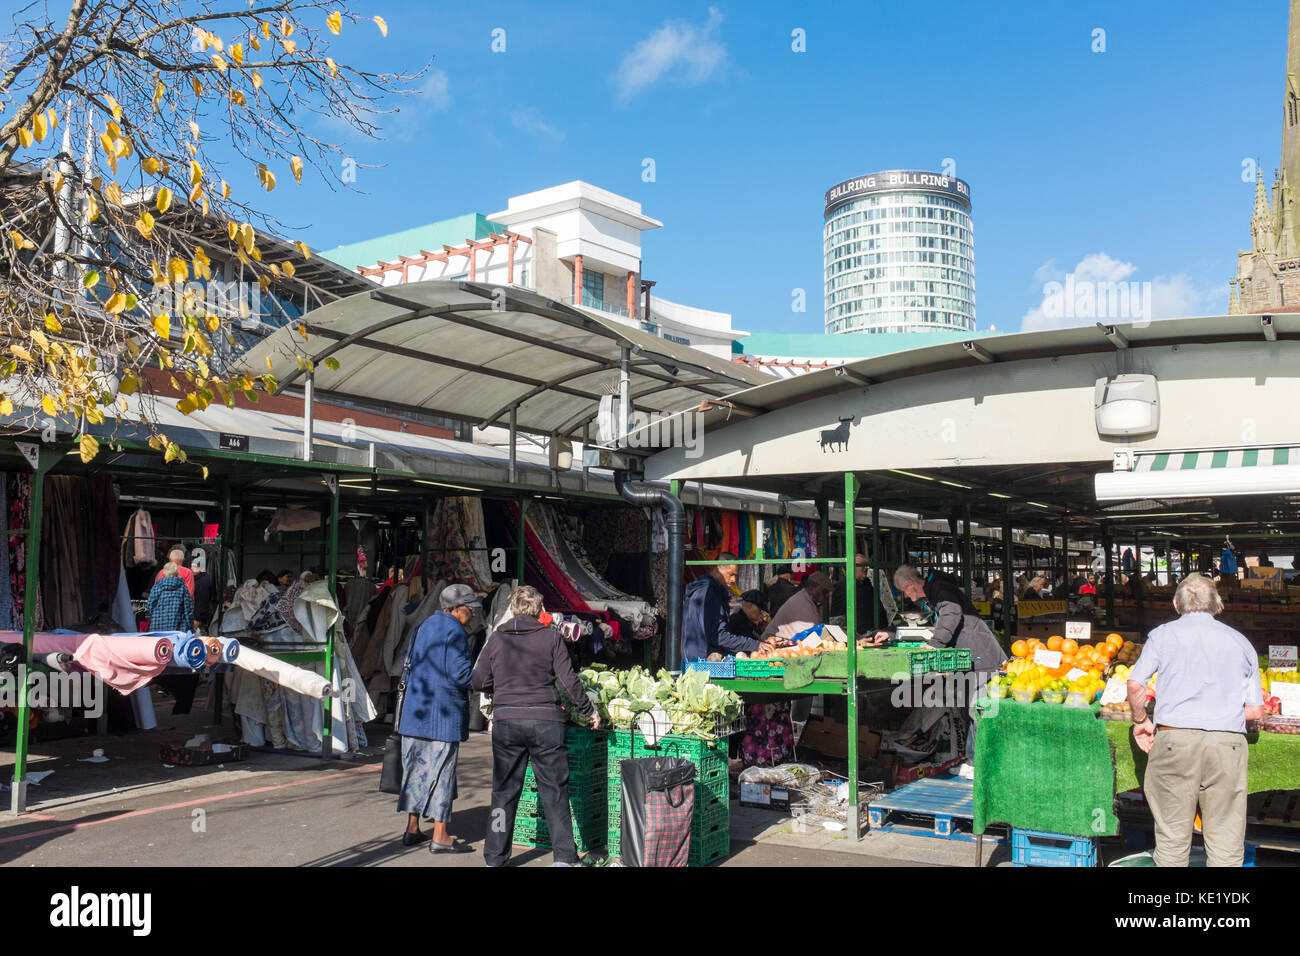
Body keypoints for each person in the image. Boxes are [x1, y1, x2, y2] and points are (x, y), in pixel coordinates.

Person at [1127, 575, 1264, 867]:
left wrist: (1140, 720)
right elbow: (1255, 711)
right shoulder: (1241, 643)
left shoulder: (1162, 635)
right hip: (1228, 744)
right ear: (1218, 606)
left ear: (1176, 604)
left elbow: (1136, 685)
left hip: (1175, 741)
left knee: (1172, 839)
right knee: (1226, 840)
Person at [473, 585, 599, 867]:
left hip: (507, 723)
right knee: (554, 790)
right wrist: (589, 710)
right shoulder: (550, 637)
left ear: (515, 608)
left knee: (503, 791)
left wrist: (500, 687)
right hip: (546, 723)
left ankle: (495, 857)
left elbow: (479, 680)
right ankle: (565, 858)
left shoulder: (497, 638)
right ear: (539, 609)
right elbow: (568, 680)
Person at [396, 583, 479, 853]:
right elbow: (461, 676)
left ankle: (412, 828)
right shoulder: (455, 631)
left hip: (414, 712)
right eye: (470, 609)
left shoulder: (423, 625)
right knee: (442, 772)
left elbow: (408, 663)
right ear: (456, 609)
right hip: (441, 716)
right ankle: (441, 836)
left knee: (415, 771)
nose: (473, 615)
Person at [682, 556, 767, 661]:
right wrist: (754, 644)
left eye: (735, 575)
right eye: (731, 574)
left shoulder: (715, 591)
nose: (733, 580)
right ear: (718, 569)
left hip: (704, 656)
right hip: (701, 660)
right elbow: (718, 636)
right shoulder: (707, 593)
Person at [762, 571, 832, 642]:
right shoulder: (802, 604)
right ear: (811, 589)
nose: (827, 595)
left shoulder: (809, 600)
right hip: (771, 644)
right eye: (825, 591)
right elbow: (811, 638)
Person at [830, 554, 888, 638]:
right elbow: (837, 618)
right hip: (856, 637)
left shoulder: (867, 584)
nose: (866, 568)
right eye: (862, 565)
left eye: (866, 565)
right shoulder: (844, 585)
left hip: (873, 633)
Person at [146, 563, 195, 632]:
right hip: (178, 629)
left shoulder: (156, 587)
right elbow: (188, 610)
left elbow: (149, 607)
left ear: (164, 573)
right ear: (177, 573)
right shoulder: (183, 588)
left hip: (157, 628)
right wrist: (191, 628)